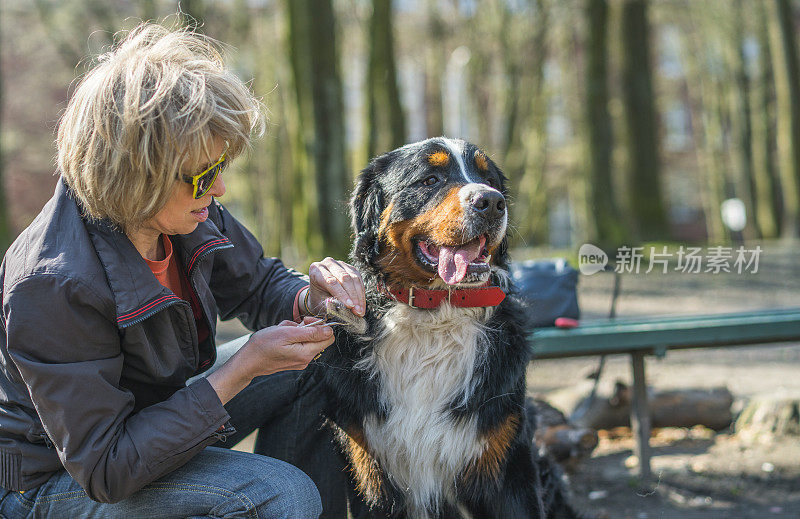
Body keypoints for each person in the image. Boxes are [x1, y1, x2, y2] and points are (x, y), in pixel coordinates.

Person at [0, 23, 363, 518]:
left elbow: (256, 283)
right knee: (281, 492)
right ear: (138, 172)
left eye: (220, 169)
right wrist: (242, 368)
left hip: (152, 420)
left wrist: (316, 300)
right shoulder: (52, 283)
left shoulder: (182, 208)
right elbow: (106, 468)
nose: (219, 191)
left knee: (315, 364)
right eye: (204, 175)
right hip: (53, 483)